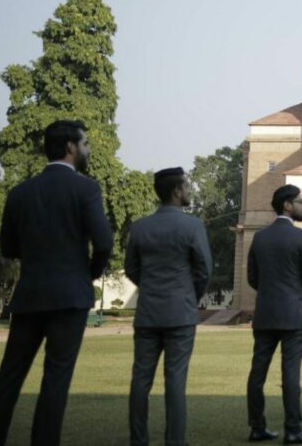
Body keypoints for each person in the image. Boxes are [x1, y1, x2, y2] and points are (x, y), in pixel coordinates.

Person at [0, 120, 113, 446]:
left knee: (9, 376)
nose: (88, 149)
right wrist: (89, 273)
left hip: (30, 294)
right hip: (70, 297)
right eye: (85, 143)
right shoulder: (85, 188)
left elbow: (9, 248)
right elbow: (105, 243)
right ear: (70, 146)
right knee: (55, 380)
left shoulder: (20, 192)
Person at [125, 167, 212, 446]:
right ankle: (175, 441)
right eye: (187, 186)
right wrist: (190, 295)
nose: (189, 190)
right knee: (175, 381)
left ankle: (139, 440)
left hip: (148, 312)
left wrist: (151, 287)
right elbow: (204, 271)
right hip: (180, 313)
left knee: (141, 380)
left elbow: (131, 269)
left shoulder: (140, 227)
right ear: (177, 191)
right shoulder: (193, 226)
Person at [245, 184, 302, 444]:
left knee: (257, 373)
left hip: (265, 313)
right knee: (291, 374)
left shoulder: (260, 238)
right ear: (287, 205)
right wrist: (297, 293)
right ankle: (293, 429)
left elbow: (252, 277)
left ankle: (257, 427)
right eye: (300, 201)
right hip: (294, 315)